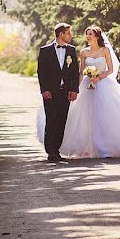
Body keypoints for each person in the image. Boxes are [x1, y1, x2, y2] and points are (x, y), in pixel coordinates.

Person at [37, 25, 120, 159]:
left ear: (97, 36)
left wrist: (97, 78)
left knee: (102, 116)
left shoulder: (99, 50)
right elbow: (78, 72)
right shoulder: (81, 52)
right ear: (61, 34)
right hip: (84, 87)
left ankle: (105, 146)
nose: (86, 36)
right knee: (66, 118)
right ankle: (52, 152)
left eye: (90, 34)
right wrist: (76, 88)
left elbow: (110, 69)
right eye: (86, 34)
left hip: (103, 85)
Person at [36, 23, 79, 163]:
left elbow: (74, 71)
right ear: (61, 34)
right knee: (51, 120)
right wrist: (44, 90)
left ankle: (57, 150)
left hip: (65, 93)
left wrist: (74, 90)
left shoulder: (71, 51)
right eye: (68, 33)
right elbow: (41, 72)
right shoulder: (45, 50)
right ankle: (51, 152)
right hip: (50, 92)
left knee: (61, 121)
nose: (70, 36)